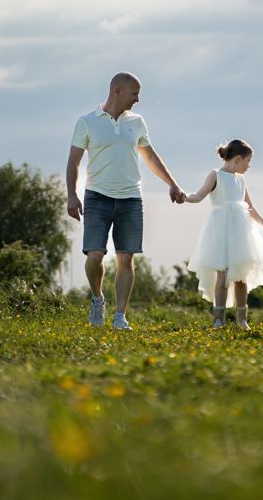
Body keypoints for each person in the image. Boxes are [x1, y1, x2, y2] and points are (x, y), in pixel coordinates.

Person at [66, 72, 186, 331]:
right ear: (118, 91)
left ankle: (120, 316)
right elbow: (74, 161)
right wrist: (72, 195)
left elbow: (151, 157)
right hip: (97, 197)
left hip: (131, 198)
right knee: (95, 255)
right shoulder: (87, 122)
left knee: (126, 258)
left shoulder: (137, 122)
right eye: (135, 94)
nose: (138, 99)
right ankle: (98, 299)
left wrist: (172, 184)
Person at [185, 139, 263, 330]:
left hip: (241, 233)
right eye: (248, 161)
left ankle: (242, 320)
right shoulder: (215, 175)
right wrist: (184, 197)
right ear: (238, 159)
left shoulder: (241, 180)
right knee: (223, 275)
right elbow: (199, 196)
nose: (249, 166)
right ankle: (219, 319)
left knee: (242, 276)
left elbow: (250, 207)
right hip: (220, 231)